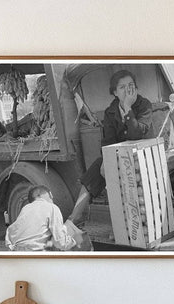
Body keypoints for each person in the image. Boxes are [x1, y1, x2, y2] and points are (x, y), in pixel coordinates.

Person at [68, 70, 153, 225]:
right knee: (96, 170)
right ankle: (73, 219)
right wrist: (105, 161)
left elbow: (137, 135)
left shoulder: (144, 105)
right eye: (122, 87)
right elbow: (108, 141)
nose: (128, 90)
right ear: (114, 92)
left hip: (142, 154)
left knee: (120, 175)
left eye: (131, 85)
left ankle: (127, 225)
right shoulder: (110, 111)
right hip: (118, 155)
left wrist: (128, 109)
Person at [5, 185, 82, 251]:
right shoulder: (52, 207)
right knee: (71, 231)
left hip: (14, 250)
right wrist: (75, 240)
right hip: (33, 254)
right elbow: (60, 242)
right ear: (50, 194)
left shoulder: (25, 208)